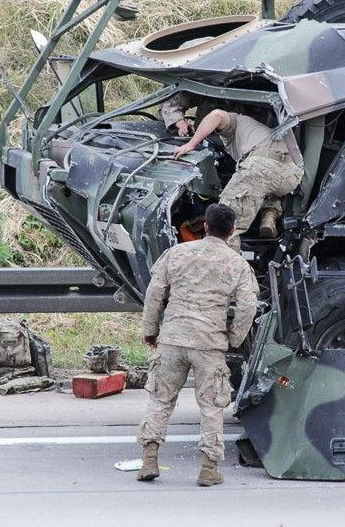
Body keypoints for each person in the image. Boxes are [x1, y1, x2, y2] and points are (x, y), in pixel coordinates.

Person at [137, 203, 259, 486]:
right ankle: (208, 469)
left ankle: (149, 460)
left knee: (160, 399)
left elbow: (154, 293)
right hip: (208, 343)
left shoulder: (176, 253)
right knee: (211, 406)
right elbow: (248, 306)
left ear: (204, 226)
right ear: (231, 233)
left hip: (173, 338)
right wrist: (234, 337)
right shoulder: (237, 264)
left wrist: (150, 330)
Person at [173, 109, 303, 248]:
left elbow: (216, 115)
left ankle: (228, 268)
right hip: (292, 174)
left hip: (262, 166)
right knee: (262, 187)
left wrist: (190, 144)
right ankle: (269, 214)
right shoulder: (256, 131)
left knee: (223, 226)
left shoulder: (236, 121)